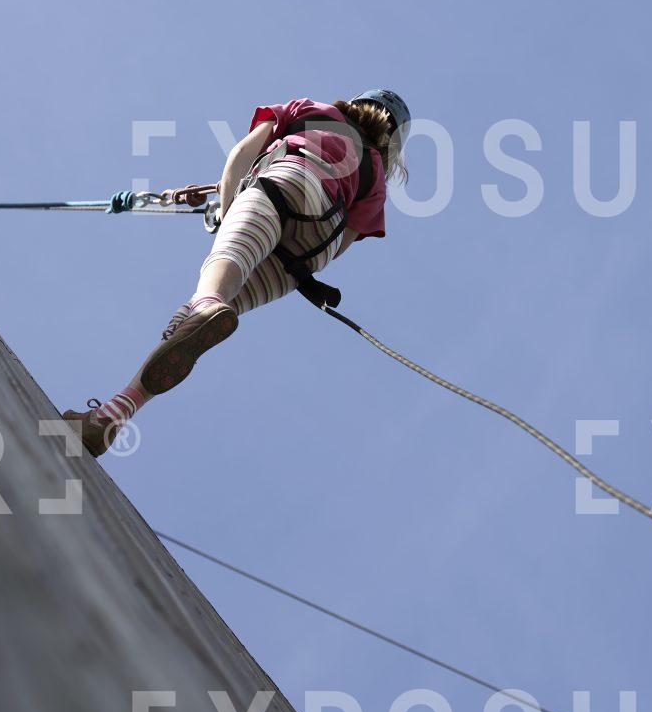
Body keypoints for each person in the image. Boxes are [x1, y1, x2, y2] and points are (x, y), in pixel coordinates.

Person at [63, 89, 410, 456]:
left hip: (288, 182)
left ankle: (204, 310)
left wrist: (228, 213)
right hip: (311, 250)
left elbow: (240, 156)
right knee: (201, 315)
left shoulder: (311, 110)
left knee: (214, 286)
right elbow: (343, 244)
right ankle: (112, 415)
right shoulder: (375, 177)